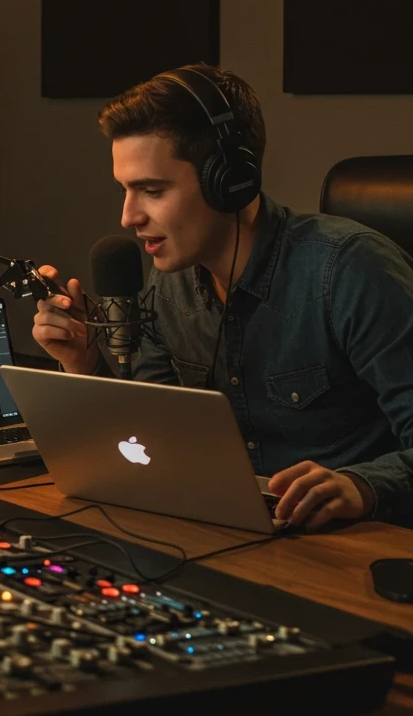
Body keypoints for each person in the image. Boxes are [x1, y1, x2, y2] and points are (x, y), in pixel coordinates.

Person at [32, 63, 413, 530]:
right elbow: (153, 443)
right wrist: (86, 364)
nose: (129, 216)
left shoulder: (351, 271)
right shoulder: (169, 286)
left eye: (152, 191)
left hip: (354, 547)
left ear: (229, 181)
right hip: (228, 534)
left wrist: (363, 485)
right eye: (125, 190)